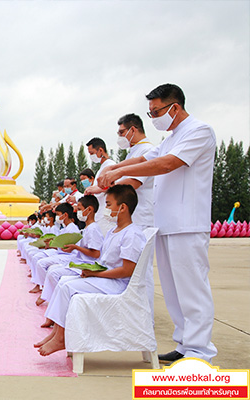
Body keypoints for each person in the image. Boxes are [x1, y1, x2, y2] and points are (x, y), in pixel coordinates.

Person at [98, 84, 217, 363]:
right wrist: (114, 169)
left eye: (156, 112)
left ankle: (200, 351)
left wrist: (119, 170)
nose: (153, 118)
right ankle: (185, 344)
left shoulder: (199, 131)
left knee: (192, 289)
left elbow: (165, 165)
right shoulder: (171, 137)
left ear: (174, 107)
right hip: (165, 223)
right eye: (149, 113)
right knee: (174, 291)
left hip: (188, 223)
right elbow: (146, 158)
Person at [34, 184, 146, 356]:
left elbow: (127, 270)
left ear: (122, 207)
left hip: (117, 284)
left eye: (109, 205)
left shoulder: (132, 234)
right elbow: (103, 260)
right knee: (63, 281)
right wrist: (88, 270)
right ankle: (57, 333)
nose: (106, 209)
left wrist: (96, 273)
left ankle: (61, 338)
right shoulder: (113, 231)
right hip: (106, 278)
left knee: (67, 287)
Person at [114, 113, 156, 314]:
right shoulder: (133, 153)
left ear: (133, 129)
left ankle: (144, 316)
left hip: (142, 218)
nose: (120, 136)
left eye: (122, 132)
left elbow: (134, 183)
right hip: (133, 219)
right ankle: (134, 313)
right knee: (131, 270)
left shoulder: (148, 150)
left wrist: (108, 185)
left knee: (141, 272)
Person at [36, 195, 103, 314]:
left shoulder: (93, 228)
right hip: (78, 260)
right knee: (52, 270)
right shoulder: (88, 228)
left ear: (89, 209)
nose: (77, 211)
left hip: (86, 264)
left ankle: (57, 303)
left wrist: (75, 247)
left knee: (53, 272)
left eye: (80, 208)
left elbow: (96, 253)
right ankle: (54, 303)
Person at [85, 137, 117, 235]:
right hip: (100, 214)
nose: (91, 156)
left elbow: (114, 186)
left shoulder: (110, 165)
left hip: (106, 215)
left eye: (92, 153)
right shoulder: (101, 168)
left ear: (100, 150)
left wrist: (97, 189)